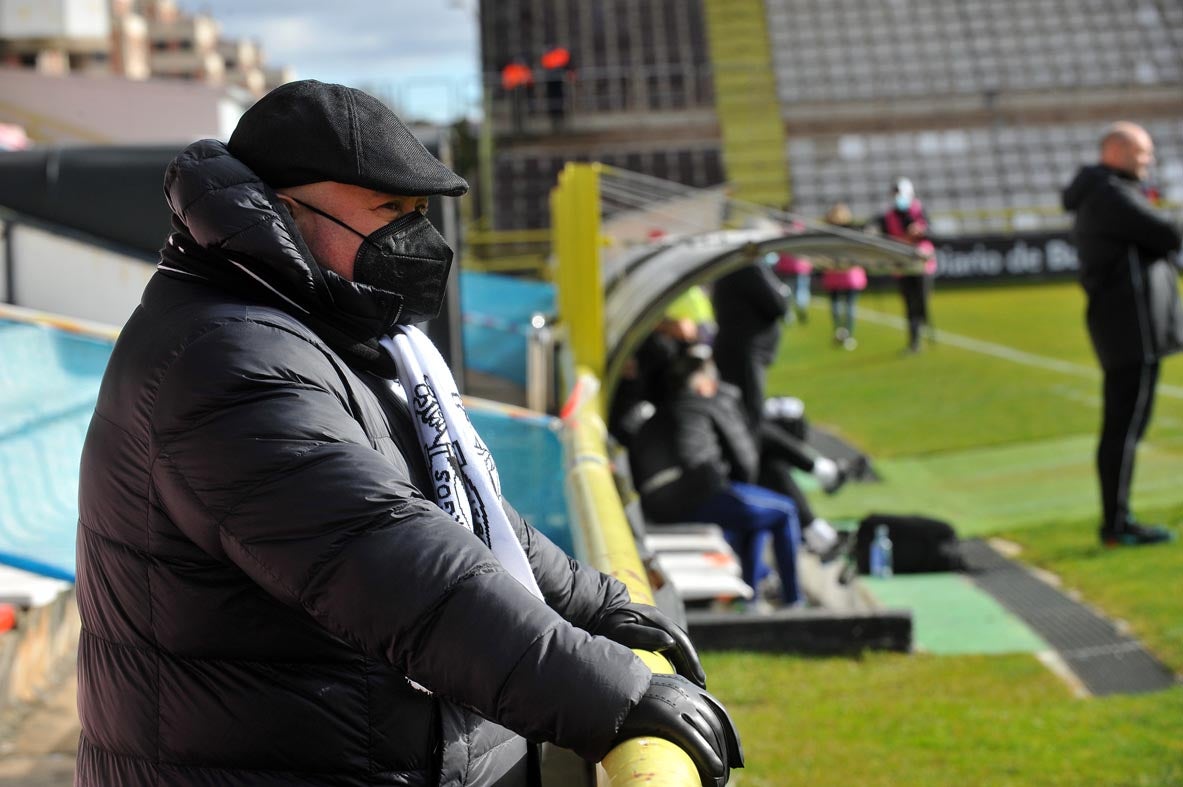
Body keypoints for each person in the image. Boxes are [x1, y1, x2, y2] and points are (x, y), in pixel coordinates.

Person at [74, 80, 742, 786]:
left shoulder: (320, 332)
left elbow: (461, 510)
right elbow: (392, 560)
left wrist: (596, 604)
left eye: (420, 212)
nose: (417, 239)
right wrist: (611, 695)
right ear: (280, 210)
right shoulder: (226, 358)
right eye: (390, 209)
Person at [1062, 121, 1183, 547]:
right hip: (1129, 329)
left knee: (1127, 427)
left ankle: (1119, 519)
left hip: (1135, 328)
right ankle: (1116, 523)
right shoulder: (1109, 194)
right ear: (1115, 151)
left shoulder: (1109, 191)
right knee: (1123, 428)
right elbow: (1168, 233)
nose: (1147, 161)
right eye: (1141, 153)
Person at [628, 348, 805, 607]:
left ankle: (751, 595)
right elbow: (745, 459)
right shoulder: (705, 405)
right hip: (696, 494)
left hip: (655, 506)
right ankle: (793, 602)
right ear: (701, 383)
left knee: (751, 514)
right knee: (784, 511)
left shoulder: (656, 415)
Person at [711, 260, 790, 429]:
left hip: (736, 348)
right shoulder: (747, 267)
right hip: (745, 350)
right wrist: (784, 294)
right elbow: (777, 304)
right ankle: (749, 454)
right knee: (751, 412)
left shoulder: (730, 266)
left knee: (741, 410)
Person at [876, 178, 937, 353]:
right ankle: (914, 341)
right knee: (909, 304)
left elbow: (932, 232)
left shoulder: (919, 211)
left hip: (922, 265)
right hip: (902, 265)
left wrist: (921, 231)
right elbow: (883, 236)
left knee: (921, 300)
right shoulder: (888, 216)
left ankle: (922, 324)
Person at [821, 202, 867, 350]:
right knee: (845, 306)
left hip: (844, 274)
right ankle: (845, 333)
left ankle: (842, 333)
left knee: (842, 306)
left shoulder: (841, 233)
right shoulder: (832, 234)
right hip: (843, 274)